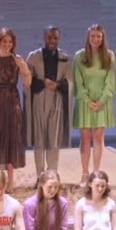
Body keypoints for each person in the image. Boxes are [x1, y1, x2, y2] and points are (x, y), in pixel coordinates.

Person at [0, 27, 32, 192]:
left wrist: (25, 70)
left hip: (12, 100)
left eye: (10, 42)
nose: (7, 44)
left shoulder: (16, 59)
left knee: (12, 138)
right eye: (4, 41)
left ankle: (11, 181)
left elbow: (27, 82)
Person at [26, 25, 73, 176]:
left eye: (56, 38)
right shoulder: (33, 57)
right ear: (44, 37)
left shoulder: (65, 58)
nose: (53, 40)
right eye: (50, 37)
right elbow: (27, 81)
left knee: (54, 140)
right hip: (39, 100)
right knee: (39, 141)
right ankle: (40, 176)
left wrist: (58, 85)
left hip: (57, 100)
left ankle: (52, 175)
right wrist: (43, 83)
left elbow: (71, 81)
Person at [72, 23, 116, 179]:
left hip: (102, 103)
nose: (95, 39)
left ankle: (96, 172)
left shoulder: (109, 56)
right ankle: (85, 172)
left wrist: (102, 100)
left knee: (98, 138)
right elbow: (78, 81)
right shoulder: (79, 56)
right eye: (92, 36)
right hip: (85, 103)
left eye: (98, 36)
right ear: (88, 37)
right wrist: (88, 100)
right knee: (85, 139)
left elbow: (110, 82)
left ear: (103, 38)